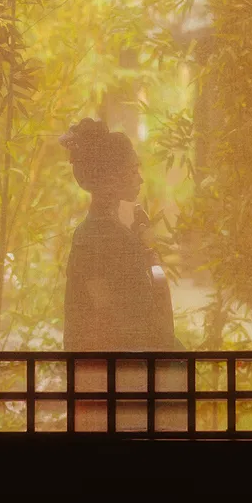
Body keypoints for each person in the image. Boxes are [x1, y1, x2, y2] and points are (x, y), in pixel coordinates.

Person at [59, 117, 179, 352]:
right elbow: (108, 313)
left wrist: (142, 249)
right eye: (133, 171)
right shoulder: (97, 236)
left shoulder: (107, 232)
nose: (140, 178)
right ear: (111, 178)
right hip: (109, 364)